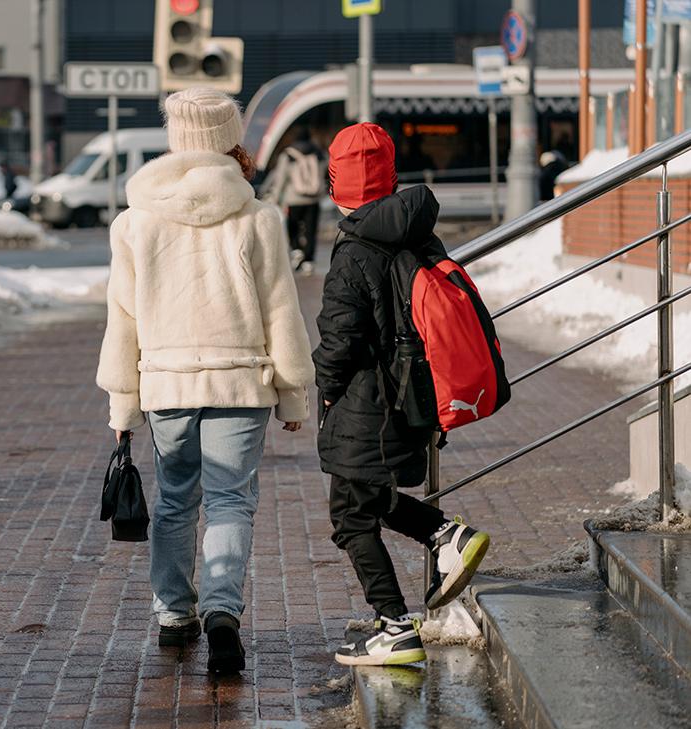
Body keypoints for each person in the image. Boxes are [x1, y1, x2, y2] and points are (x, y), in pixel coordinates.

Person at [97, 87, 315, 675]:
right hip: (240, 383)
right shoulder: (258, 217)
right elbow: (281, 311)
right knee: (229, 502)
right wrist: (293, 390)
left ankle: (174, 615)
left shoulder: (135, 223)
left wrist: (123, 405)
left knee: (174, 501)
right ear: (228, 139)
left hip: (166, 384)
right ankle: (223, 614)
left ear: (176, 138)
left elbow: (123, 319)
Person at [313, 123, 490, 668]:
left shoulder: (353, 250)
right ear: (389, 175)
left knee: (349, 514)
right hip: (412, 394)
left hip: (369, 400)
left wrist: (324, 392)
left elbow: (340, 340)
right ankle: (445, 534)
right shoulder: (415, 229)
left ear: (336, 181)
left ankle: (393, 626)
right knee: (364, 497)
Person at [264, 128, 326, 275]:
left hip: (293, 199)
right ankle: (309, 261)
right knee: (311, 229)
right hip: (313, 199)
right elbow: (324, 173)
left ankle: (297, 249)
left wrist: (276, 198)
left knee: (293, 226)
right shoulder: (318, 153)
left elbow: (281, 179)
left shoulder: (288, 155)